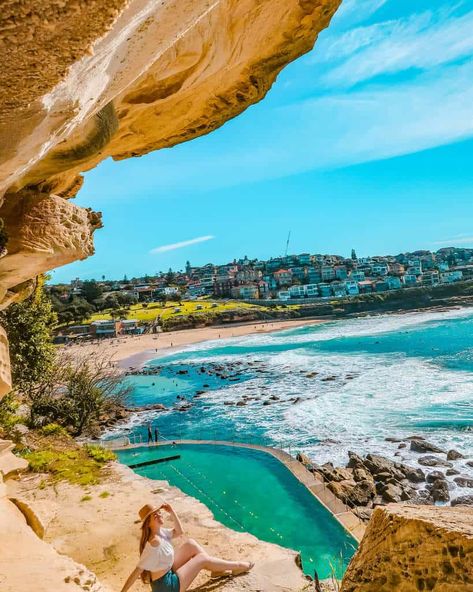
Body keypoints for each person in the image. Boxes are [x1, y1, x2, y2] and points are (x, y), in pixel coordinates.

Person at [120, 503, 253, 592]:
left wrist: (172, 511)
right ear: (148, 523)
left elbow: (179, 532)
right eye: (155, 515)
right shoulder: (154, 543)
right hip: (166, 587)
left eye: (159, 512)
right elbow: (136, 572)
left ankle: (216, 570)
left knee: (191, 544)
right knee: (202, 559)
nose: (159, 514)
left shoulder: (160, 532)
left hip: (169, 572)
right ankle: (238, 566)